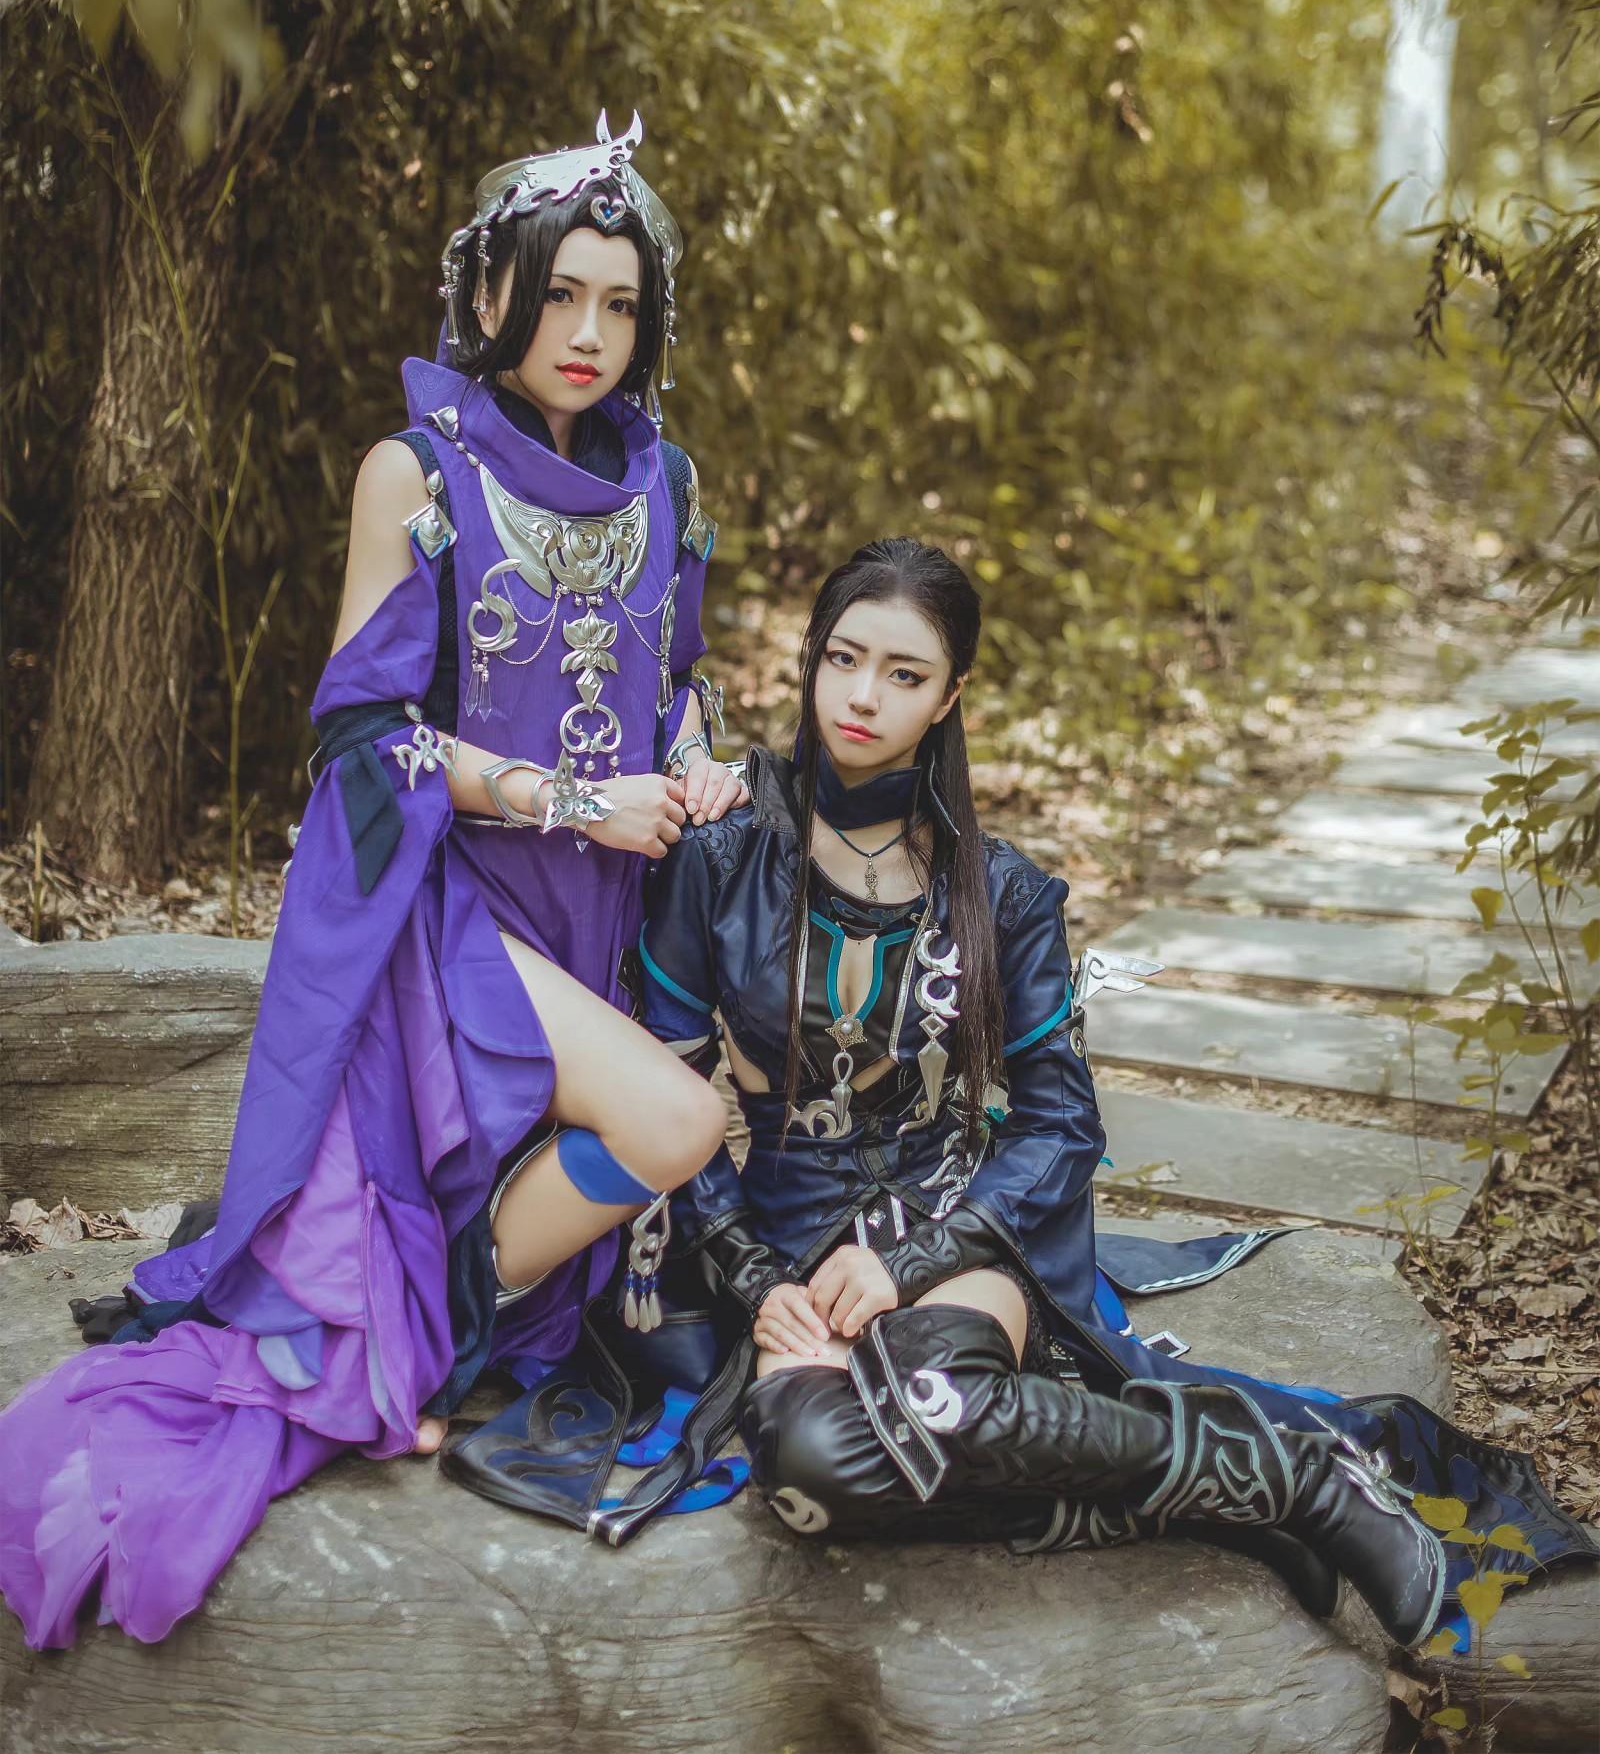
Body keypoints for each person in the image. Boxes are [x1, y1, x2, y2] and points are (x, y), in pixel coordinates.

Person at [0, 111, 743, 1650]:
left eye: (619, 303)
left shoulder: (665, 481)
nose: (587, 332)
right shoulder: (417, 469)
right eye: (558, 293)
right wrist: (570, 799)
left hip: (597, 912)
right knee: (677, 1121)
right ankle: (427, 1335)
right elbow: (365, 735)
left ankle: (436, 1319)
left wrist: (697, 763)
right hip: (449, 912)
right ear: (489, 293)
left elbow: (674, 682)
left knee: (646, 1157)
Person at [633, 536, 1596, 1648]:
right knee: (809, 1470)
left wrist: (912, 1259)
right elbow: (666, 1089)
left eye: (904, 673)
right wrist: (755, 1279)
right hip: (793, 1251)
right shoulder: (720, 854)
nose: (862, 696)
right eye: (843, 658)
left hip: (953, 1235)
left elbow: (1059, 1124)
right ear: (809, 657)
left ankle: (1315, 1486)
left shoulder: (1002, 891)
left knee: (926, 1404)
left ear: (950, 696)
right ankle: (1260, 1487)